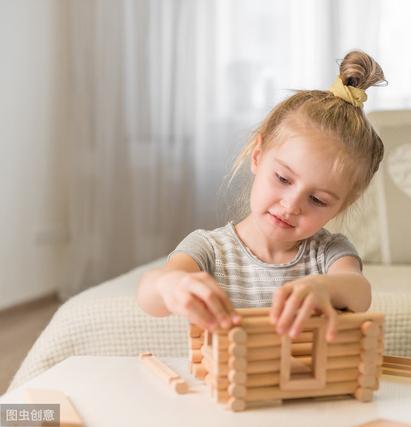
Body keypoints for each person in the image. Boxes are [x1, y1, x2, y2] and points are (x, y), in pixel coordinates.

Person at [137, 50, 386, 342]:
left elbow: (358, 291)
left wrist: (325, 288)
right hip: (229, 385)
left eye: (317, 200)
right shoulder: (209, 249)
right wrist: (171, 286)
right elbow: (149, 294)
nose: (291, 205)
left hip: (303, 386)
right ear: (257, 156)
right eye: (282, 178)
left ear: (344, 204)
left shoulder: (328, 254)